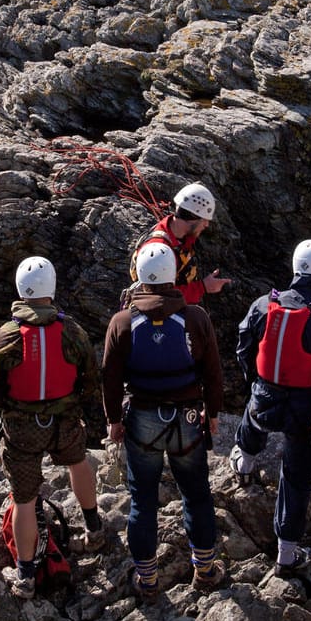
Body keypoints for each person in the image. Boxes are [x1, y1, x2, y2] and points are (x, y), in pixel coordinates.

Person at [102, 243, 228, 596]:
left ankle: (147, 578)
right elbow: (213, 372)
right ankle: (204, 570)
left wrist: (113, 420)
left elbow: (110, 377)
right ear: (173, 275)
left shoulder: (122, 321)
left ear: (139, 275)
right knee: (196, 494)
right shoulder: (196, 317)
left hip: (141, 418)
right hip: (187, 417)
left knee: (143, 499)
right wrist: (213, 413)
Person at [0, 256, 107, 599]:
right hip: (64, 421)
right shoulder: (72, 331)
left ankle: (25, 574)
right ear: (51, 287)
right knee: (78, 462)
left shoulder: (5, 336)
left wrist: (12, 407)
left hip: (22, 428)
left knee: (24, 500)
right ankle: (94, 528)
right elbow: (91, 376)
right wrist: (71, 402)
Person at [231, 239, 311, 574]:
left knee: (254, 410)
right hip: (306, 412)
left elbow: (244, 348)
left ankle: (244, 461)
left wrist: (254, 383)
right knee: (297, 478)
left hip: (265, 402)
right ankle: (287, 552)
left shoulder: (262, 305)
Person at [127, 182, 231, 305]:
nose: (207, 225)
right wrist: (202, 287)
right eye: (205, 220)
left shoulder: (179, 235)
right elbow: (157, 297)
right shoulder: (159, 250)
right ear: (193, 217)